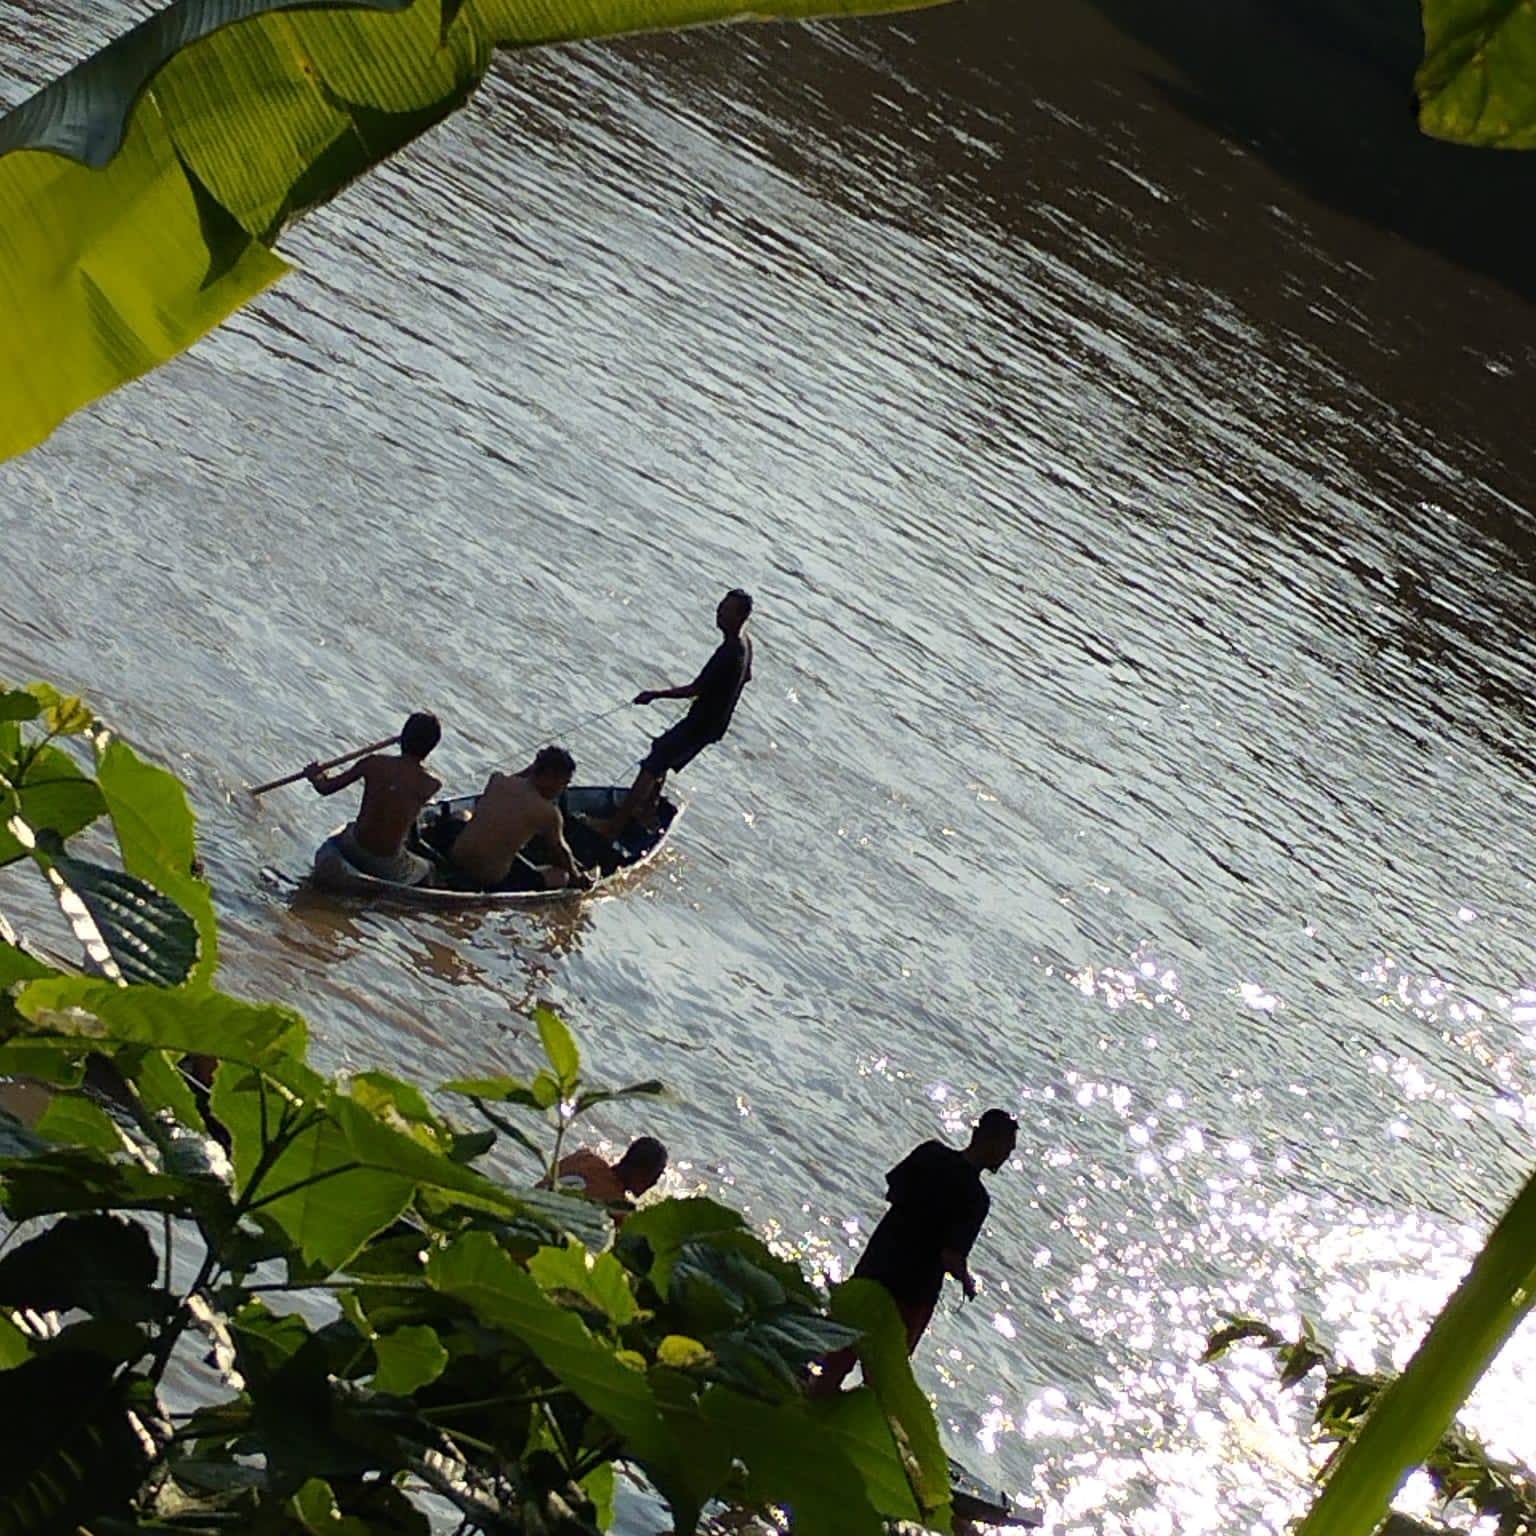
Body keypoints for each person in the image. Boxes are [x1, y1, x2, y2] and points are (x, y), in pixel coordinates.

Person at [809, 1108, 1018, 1395]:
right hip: (912, 1293)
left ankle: (809, 1402)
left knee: (837, 1359)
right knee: (881, 1382)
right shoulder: (976, 1198)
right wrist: (967, 1282)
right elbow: (951, 1256)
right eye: (1007, 1148)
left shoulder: (930, 1153)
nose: (1006, 1157)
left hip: (875, 1270)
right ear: (992, 1142)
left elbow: (893, 1190)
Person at [589, 589, 754, 838]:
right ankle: (647, 810)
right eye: (721, 605)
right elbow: (747, 677)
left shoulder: (730, 651)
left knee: (653, 764)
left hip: (703, 724)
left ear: (742, 616)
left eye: (727, 610)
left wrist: (654, 695)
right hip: (713, 724)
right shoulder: (746, 642)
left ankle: (615, 825)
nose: (719, 611)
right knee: (661, 750)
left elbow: (694, 689)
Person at [305, 711, 442, 886]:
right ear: (431, 747)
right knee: (429, 869)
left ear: (402, 737)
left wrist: (316, 776)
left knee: (349, 828)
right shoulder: (432, 783)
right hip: (385, 863)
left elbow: (325, 788)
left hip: (352, 846)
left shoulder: (373, 763)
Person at [446, 745, 590, 891]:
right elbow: (561, 852)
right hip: (488, 878)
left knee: (461, 815)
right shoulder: (548, 813)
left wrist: (536, 768)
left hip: (457, 857)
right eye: (563, 783)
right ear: (550, 776)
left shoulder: (497, 780)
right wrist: (577, 877)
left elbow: (518, 779)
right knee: (561, 876)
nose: (563, 790)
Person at [548, 1136, 669, 1221]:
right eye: (655, 1176)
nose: (654, 1183)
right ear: (641, 1173)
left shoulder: (582, 1157)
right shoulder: (617, 1209)